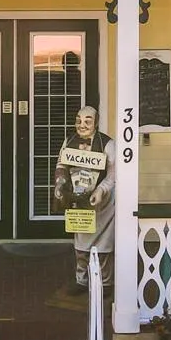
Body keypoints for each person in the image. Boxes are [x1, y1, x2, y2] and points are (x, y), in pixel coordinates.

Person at [53, 103, 114, 293]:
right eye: (79, 120)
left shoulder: (108, 144)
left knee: (103, 244)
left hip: (102, 203)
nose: (82, 125)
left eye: (87, 121)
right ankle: (82, 280)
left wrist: (102, 190)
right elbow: (61, 165)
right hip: (78, 200)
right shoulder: (69, 141)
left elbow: (114, 173)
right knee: (81, 242)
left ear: (96, 123)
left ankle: (104, 283)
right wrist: (60, 183)